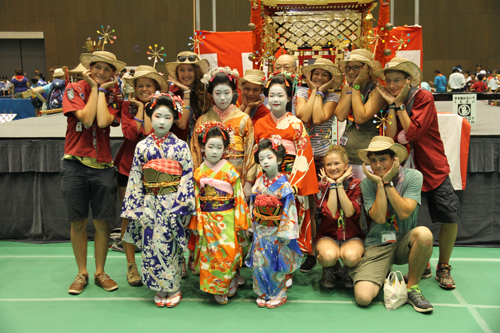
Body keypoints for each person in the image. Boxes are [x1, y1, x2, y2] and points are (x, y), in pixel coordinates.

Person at [376, 57, 459, 290]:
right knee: (407, 218)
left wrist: (400, 105)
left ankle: (444, 265)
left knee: (448, 214)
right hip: (403, 167)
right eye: (389, 81)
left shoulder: (423, 97)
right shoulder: (390, 100)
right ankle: (421, 262)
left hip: (432, 165)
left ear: (408, 80)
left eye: (397, 80)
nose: (392, 85)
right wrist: (392, 104)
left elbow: (413, 133)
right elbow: (393, 134)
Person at [121, 93, 196, 308]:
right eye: (157, 116)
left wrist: (182, 205)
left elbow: (187, 175)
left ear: (174, 119)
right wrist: (137, 207)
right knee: (151, 244)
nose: (162, 122)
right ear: (150, 117)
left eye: (167, 117)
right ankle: (157, 286)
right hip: (149, 202)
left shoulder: (181, 146)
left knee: (170, 243)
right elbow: (135, 176)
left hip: (173, 201)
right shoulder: (142, 146)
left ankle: (173, 287)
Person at [62, 51, 126, 295]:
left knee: (102, 222)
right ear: (89, 68)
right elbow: (86, 119)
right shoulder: (73, 89)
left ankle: (100, 272)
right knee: (77, 221)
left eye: (106, 69)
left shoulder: (113, 96)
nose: (100, 72)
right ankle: (82, 272)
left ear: (113, 73)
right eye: (96, 67)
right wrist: (92, 87)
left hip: (103, 167)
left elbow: (100, 122)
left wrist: (100, 91)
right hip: (75, 164)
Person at [351, 136, 434, 313]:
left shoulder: (413, 177)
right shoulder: (367, 183)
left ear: (395, 159)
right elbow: (380, 218)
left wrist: (387, 183)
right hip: (379, 243)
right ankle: (382, 271)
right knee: (363, 298)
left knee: (424, 234)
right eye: (373, 161)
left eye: (383, 159)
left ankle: (412, 287)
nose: (378, 165)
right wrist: (380, 184)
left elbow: (404, 213)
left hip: (404, 241)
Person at [254, 73, 318, 288]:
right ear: (266, 97)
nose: (275, 100)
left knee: (287, 229)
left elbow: (304, 155)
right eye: (271, 95)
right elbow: (256, 156)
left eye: (280, 95)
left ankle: (287, 270)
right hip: (266, 184)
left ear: (289, 97)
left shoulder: (296, 124)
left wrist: (294, 184)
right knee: (266, 226)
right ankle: (266, 266)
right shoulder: (260, 124)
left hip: (288, 184)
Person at [113, 65, 168, 286]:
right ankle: (131, 265)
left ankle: (155, 261)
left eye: (148, 85)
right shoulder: (127, 106)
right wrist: (139, 110)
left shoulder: (162, 107)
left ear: (155, 88)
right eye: (140, 86)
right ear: (134, 88)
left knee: (156, 217)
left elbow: (150, 133)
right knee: (129, 217)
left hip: (155, 172)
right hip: (127, 169)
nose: (144, 89)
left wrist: (146, 109)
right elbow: (132, 133)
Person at [188, 122, 250, 304]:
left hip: (228, 217)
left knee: (228, 252)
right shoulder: (199, 172)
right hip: (207, 218)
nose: (214, 151)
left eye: (219, 147)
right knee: (210, 253)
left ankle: (228, 280)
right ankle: (218, 287)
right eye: (210, 147)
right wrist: (196, 221)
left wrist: (240, 222)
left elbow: (238, 197)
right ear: (203, 147)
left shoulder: (230, 171)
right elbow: (196, 199)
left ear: (225, 149)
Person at [296, 58, 342, 272]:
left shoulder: (334, 96)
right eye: (316, 74)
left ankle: (330, 254)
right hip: (303, 159)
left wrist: (320, 92)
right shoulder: (302, 92)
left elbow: (319, 116)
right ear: (310, 75)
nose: (320, 78)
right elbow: (302, 115)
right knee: (309, 208)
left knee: (326, 208)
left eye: (325, 75)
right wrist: (315, 91)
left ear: (331, 78)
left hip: (324, 159)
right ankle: (311, 252)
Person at [246, 137, 302, 309]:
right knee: (260, 261)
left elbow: (289, 210)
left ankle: (278, 293)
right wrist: (251, 223)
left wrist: (285, 232)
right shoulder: (259, 181)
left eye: (269, 157)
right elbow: (253, 204)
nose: (265, 162)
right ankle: (263, 292)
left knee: (274, 262)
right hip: (260, 229)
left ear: (278, 159)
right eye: (261, 159)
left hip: (277, 231)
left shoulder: (284, 185)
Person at [315, 146, 364, 289]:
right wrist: (332, 185)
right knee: (328, 256)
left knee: (351, 257)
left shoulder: (356, 184)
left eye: (337, 163)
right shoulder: (320, 186)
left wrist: (340, 185)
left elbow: (349, 212)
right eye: (328, 164)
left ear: (346, 166)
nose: (333, 167)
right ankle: (330, 267)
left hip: (352, 236)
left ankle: (349, 269)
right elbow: (331, 214)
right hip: (327, 236)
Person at [336, 49, 386, 180]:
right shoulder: (348, 88)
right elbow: (340, 116)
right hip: (347, 157)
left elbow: (360, 117)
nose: (351, 72)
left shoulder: (378, 90)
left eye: (356, 68)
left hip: (369, 160)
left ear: (367, 69)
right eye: (348, 68)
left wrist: (356, 86)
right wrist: (351, 87)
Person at [166, 51, 212, 143]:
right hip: (176, 148)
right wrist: (186, 91)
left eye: (190, 70)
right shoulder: (170, 94)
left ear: (196, 72)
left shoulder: (205, 94)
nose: (186, 74)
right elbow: (182, 125)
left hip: (201, 147)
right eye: (182, 70)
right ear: (177, 72)